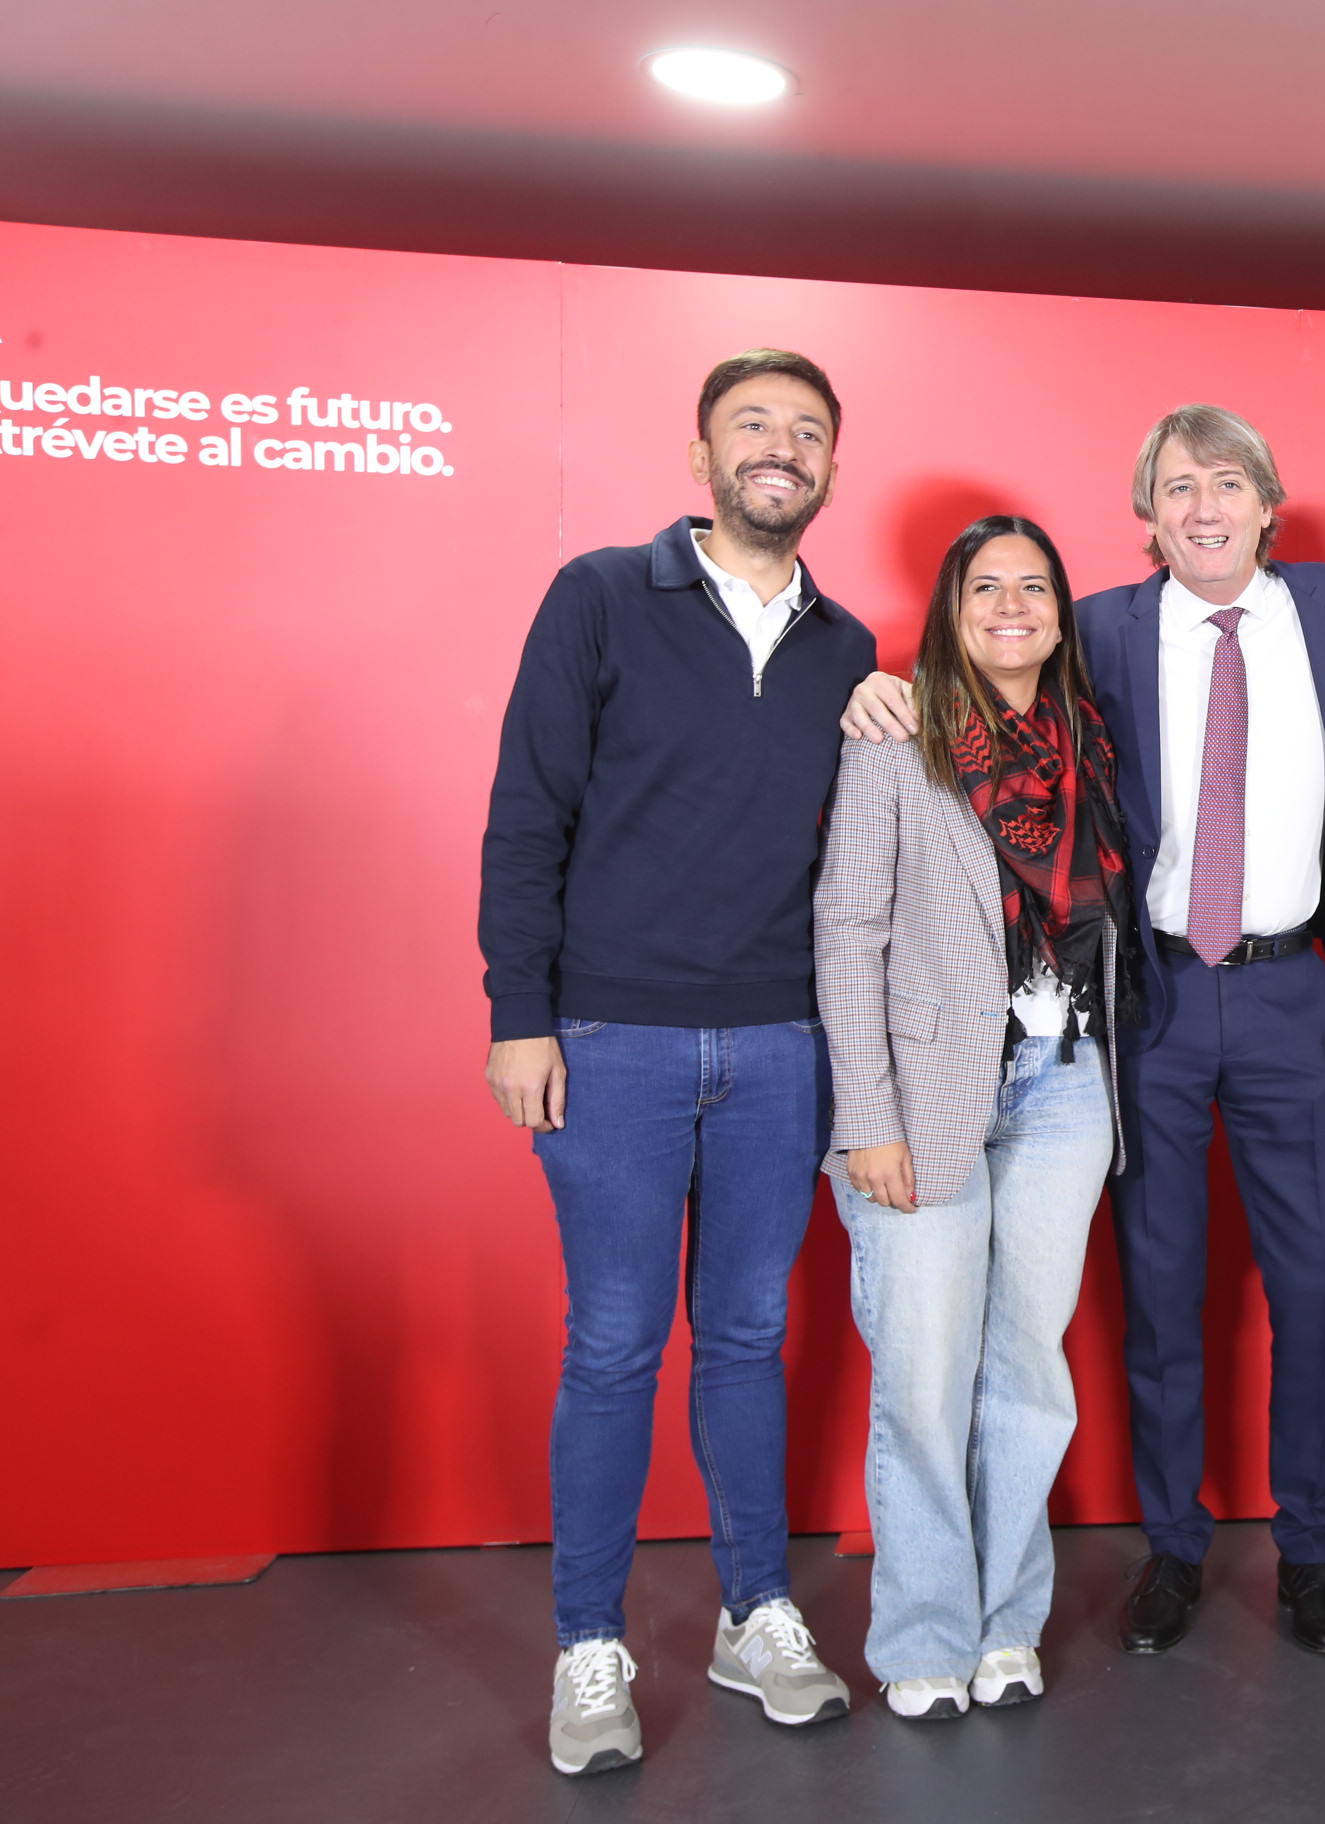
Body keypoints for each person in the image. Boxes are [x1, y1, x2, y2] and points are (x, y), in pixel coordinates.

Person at [842, 405, 1325, 1660]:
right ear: (1148, 515)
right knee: (1161, 1291)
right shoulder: (1101, 630)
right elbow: (982, 688)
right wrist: (872, 686)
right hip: (1149, 1004)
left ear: (1267, 500)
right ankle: (1175, 1550)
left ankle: (1310, 1553)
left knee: (1319, 1289)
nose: (1202, 507)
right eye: (1176, 487)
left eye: (1226, 481)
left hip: (1294, 990)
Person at [479, 350, 868, 1776]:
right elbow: (528, 813)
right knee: (613, 1340)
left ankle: (754, 1610)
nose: (783, 448)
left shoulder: (848, 648)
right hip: (611, 1041)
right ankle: (592, 1640)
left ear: (833, 465)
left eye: (808, 431)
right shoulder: (599, 594)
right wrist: (519, 1014)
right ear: (701, 452)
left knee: (753, 1336)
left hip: (780, 1042)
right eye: (755, 425)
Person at [816, 515, 1138, 1722]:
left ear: (1061, 612)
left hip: (1064, 1092)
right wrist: (867, 1121)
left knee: (1025, 1374)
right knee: (922, 1378)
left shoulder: (1093, 748)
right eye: (986, 587)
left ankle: (1008, 1625)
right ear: (953, 611)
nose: (1014, 605)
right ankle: (921, 1638)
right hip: (923, 1100)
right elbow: (845, 935)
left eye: (1035, 586)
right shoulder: (896, 742)